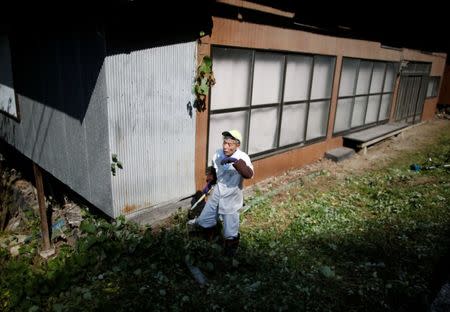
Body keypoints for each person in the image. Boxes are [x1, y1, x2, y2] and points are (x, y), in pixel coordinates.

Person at [189, 129, 254, 257]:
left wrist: (236, 162)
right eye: (224, 143)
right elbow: (214, 170)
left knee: (230, 229)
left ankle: (230, 251)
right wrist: (209, 183)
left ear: (237, 145)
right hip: (219, 190)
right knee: (204, 220)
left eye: (230, 144)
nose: (225, 146)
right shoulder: (218, 154)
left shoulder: (243, 157)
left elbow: (249, 174)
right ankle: (210, 240)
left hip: (232, 194)